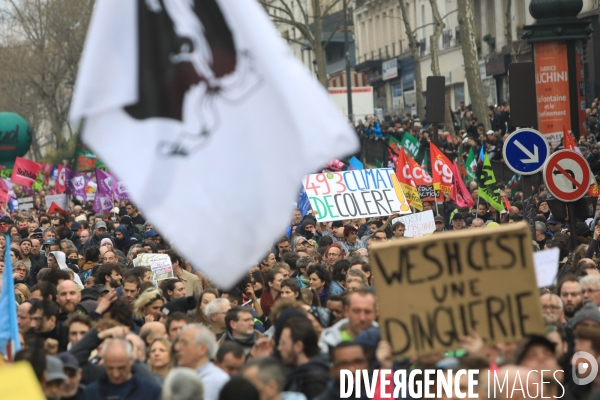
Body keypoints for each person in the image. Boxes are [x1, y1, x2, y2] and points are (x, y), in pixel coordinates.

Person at [82, 338, 162, 400]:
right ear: (104, 362)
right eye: (110, 368)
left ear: (131, 360)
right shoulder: (91, 393)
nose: (116, 374)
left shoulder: (150, 391)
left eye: (121, 368)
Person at [174, 324, 230, 400]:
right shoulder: (176, 376)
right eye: (178, 342)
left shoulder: (217, 380)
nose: (177, 347)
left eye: (184, 342)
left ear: (202, 349)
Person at [279, 317, 329, 399]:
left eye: (282, 343)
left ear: (298, 346)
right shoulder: (297, 374)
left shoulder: (314, 382)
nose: (279, 348)